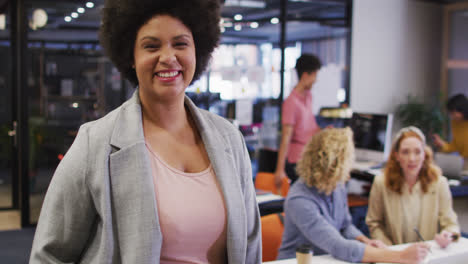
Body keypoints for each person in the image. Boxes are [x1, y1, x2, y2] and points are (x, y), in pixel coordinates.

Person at [29, 0, 262, 263]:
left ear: (198, 49)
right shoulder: (95, 143)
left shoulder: (229, 139)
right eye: (151, 46)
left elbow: (249, 244)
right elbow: (49, 255)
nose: (168, 57)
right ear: (131, 56)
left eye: (180, 44)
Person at [277, 128, 430, 264]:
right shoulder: (299, 200)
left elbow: (345, 225)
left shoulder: (336, 185)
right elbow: (338, 246)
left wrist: (364, 240)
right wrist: (401, 256)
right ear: (335, 164)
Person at [366, 126, 460, 248]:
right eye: (405, 152)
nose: (412, 159)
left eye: (417, 152)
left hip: (429, 255)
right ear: (397, 156)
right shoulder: (381, 183)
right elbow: (374, 223)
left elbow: (450, 224)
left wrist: (448, 235)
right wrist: (391, 250)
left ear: (424, 154)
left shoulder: (439, 183)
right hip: (394, 256)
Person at [274, 54, 322, 189]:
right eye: (315, 75)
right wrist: (279, 169)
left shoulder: (308, 97)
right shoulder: (291, 102)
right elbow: (286, 137)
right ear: (306, 75)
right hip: (296, 161)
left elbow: (310, 126)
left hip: (309, 157)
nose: (316, 80)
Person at [433, 93, 468, 174]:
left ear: (463, 109)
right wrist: (442, 144)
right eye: (451, 113)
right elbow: (456, 145)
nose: (452, 116)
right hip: (464, 161)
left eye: (453, 112)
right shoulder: (455, 122)